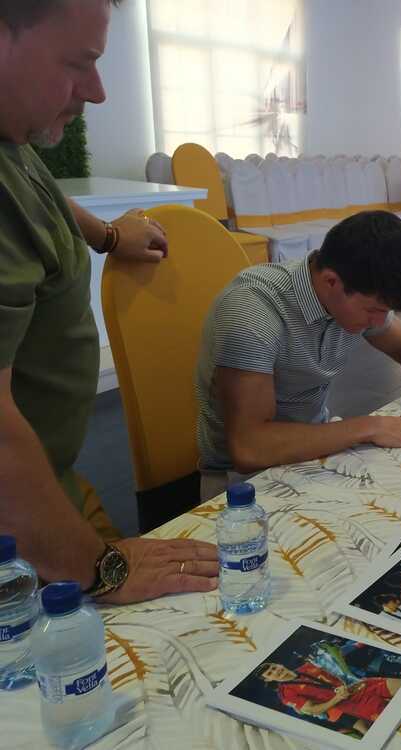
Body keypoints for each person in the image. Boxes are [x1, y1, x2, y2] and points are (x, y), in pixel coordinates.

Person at [0, 0, 218, 603]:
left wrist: (107, 235)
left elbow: (33, 193)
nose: (96, 92)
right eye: (79, 63)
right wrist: (101, 569)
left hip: (54, 489)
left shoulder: (9, 138)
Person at [195, 210, 401, 500]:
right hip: (242, 481)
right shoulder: (254, 312)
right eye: (373, 311)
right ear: (331, 281)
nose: (379, 322)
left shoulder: (348, 294)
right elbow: (250, 447)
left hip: (315, 448)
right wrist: (369, 426)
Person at [257, 660, 401, 734]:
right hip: (348, 705)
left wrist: (349, 683)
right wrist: (338, 698)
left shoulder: (307, 666)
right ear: (268, 680)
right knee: (397, 719)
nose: (276, 671)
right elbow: (313, 710)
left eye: (274, 667)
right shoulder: (285, 693)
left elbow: (336, 676)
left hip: (359, 687)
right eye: (270, 673)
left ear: (279, 664)